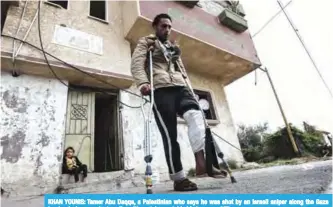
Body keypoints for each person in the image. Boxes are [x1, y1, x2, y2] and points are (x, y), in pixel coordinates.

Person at [131, 13, 225, 192]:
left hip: (180, 87)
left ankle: (203, 163)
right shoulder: (147, 42)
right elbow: (137, 62)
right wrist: (143, 82)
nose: (167, 29)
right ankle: (179, 178)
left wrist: (189, 88)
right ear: (155, 27)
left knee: (197, 116)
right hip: (160, 89)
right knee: (170, 135)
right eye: (163, 26)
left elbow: (180, 69)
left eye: (169, 27)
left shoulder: (173, 47)